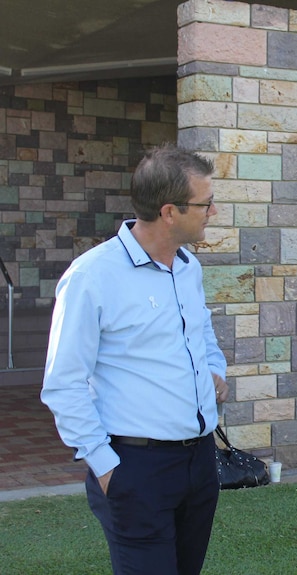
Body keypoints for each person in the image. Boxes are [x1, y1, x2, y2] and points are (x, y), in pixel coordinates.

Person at [41, 143, 229, 575]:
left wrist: (214, 371)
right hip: (135, 469)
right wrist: (107, 469)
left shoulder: (188, 268)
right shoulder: (92, 277)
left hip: (199, 462)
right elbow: (63, 384)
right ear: (169, 212)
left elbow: (202, 335)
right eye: (206, 203)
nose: (213, 212)